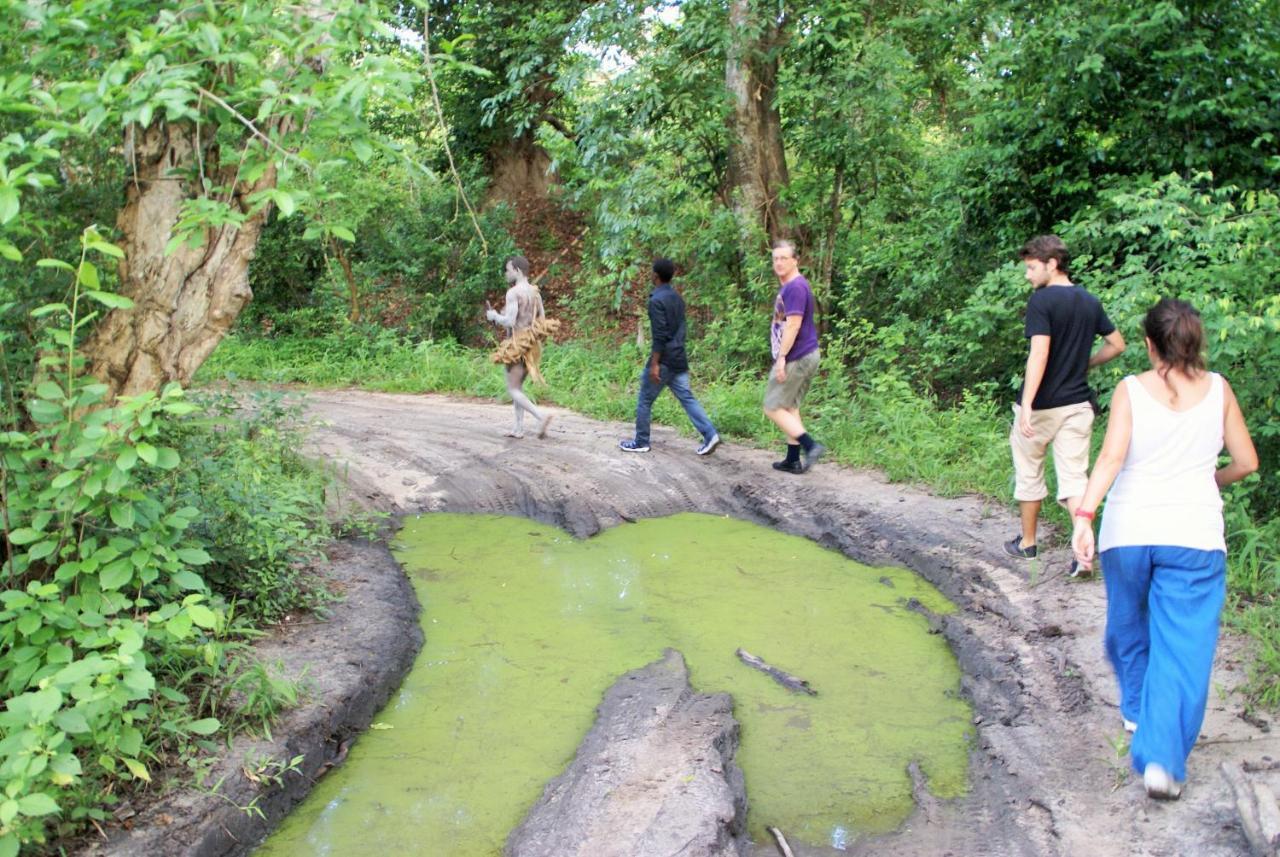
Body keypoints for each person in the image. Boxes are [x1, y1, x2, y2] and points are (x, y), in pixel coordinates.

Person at [1071, 298, 1257, 800]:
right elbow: (1246, 461)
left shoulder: (1131, 389)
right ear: (1196, 342)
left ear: (1150, 344)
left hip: (1129, 532)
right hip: (1194, 536)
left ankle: (1140, 717)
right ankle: (1160, 756)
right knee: (1183, 647)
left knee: (1127, 628)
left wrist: (1085, 516)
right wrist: (1208, 481)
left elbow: (1111, 456)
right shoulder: (1219, 390)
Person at [1006, 235, 1126, 566]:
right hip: (1077, 405)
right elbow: (1117, 344)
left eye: (1031, 268)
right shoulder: (1089, 301)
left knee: (1029, 472)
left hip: (1043, 406)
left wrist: (1028, 402)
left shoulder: (1041, 302)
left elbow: (1039, 352)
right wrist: (1085, 362)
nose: (1028, 275)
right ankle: (1083, 552)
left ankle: (1028, 544)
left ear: (1051, 264)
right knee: (1075, 478)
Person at [619, 258, 721, 455]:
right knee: (687, 398)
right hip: (679, 357)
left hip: (664, 360)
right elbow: (680, 329)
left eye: (651, 272)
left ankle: (641, 441)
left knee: (644, 400)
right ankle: (710, 434)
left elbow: (660, 335)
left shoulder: (656, 300)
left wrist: (655, 363)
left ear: (655, 275)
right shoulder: (677, 297)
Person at [765, 240, 824, 473]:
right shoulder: (791, 285)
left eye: (783, 258)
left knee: (772, 406)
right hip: (806, 354)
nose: (779, 263)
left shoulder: (795, 287)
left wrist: (782, 358)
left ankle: (810, 446)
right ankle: (792, 459)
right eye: (775, 258)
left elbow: (793, 325)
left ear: (795, 260)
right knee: (789, 406)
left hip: (796, 357)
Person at [486, 255, 558, 438]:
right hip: (532, 344)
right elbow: (542, 318)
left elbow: (510, 321)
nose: (506, 273)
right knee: (518, 388)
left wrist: (494, 316)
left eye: (508, 270)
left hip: (516, 345)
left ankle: (541, 418)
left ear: (517, 271)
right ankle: (518, 429)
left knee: (513, 389)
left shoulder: (513, 293)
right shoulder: (535, 293)